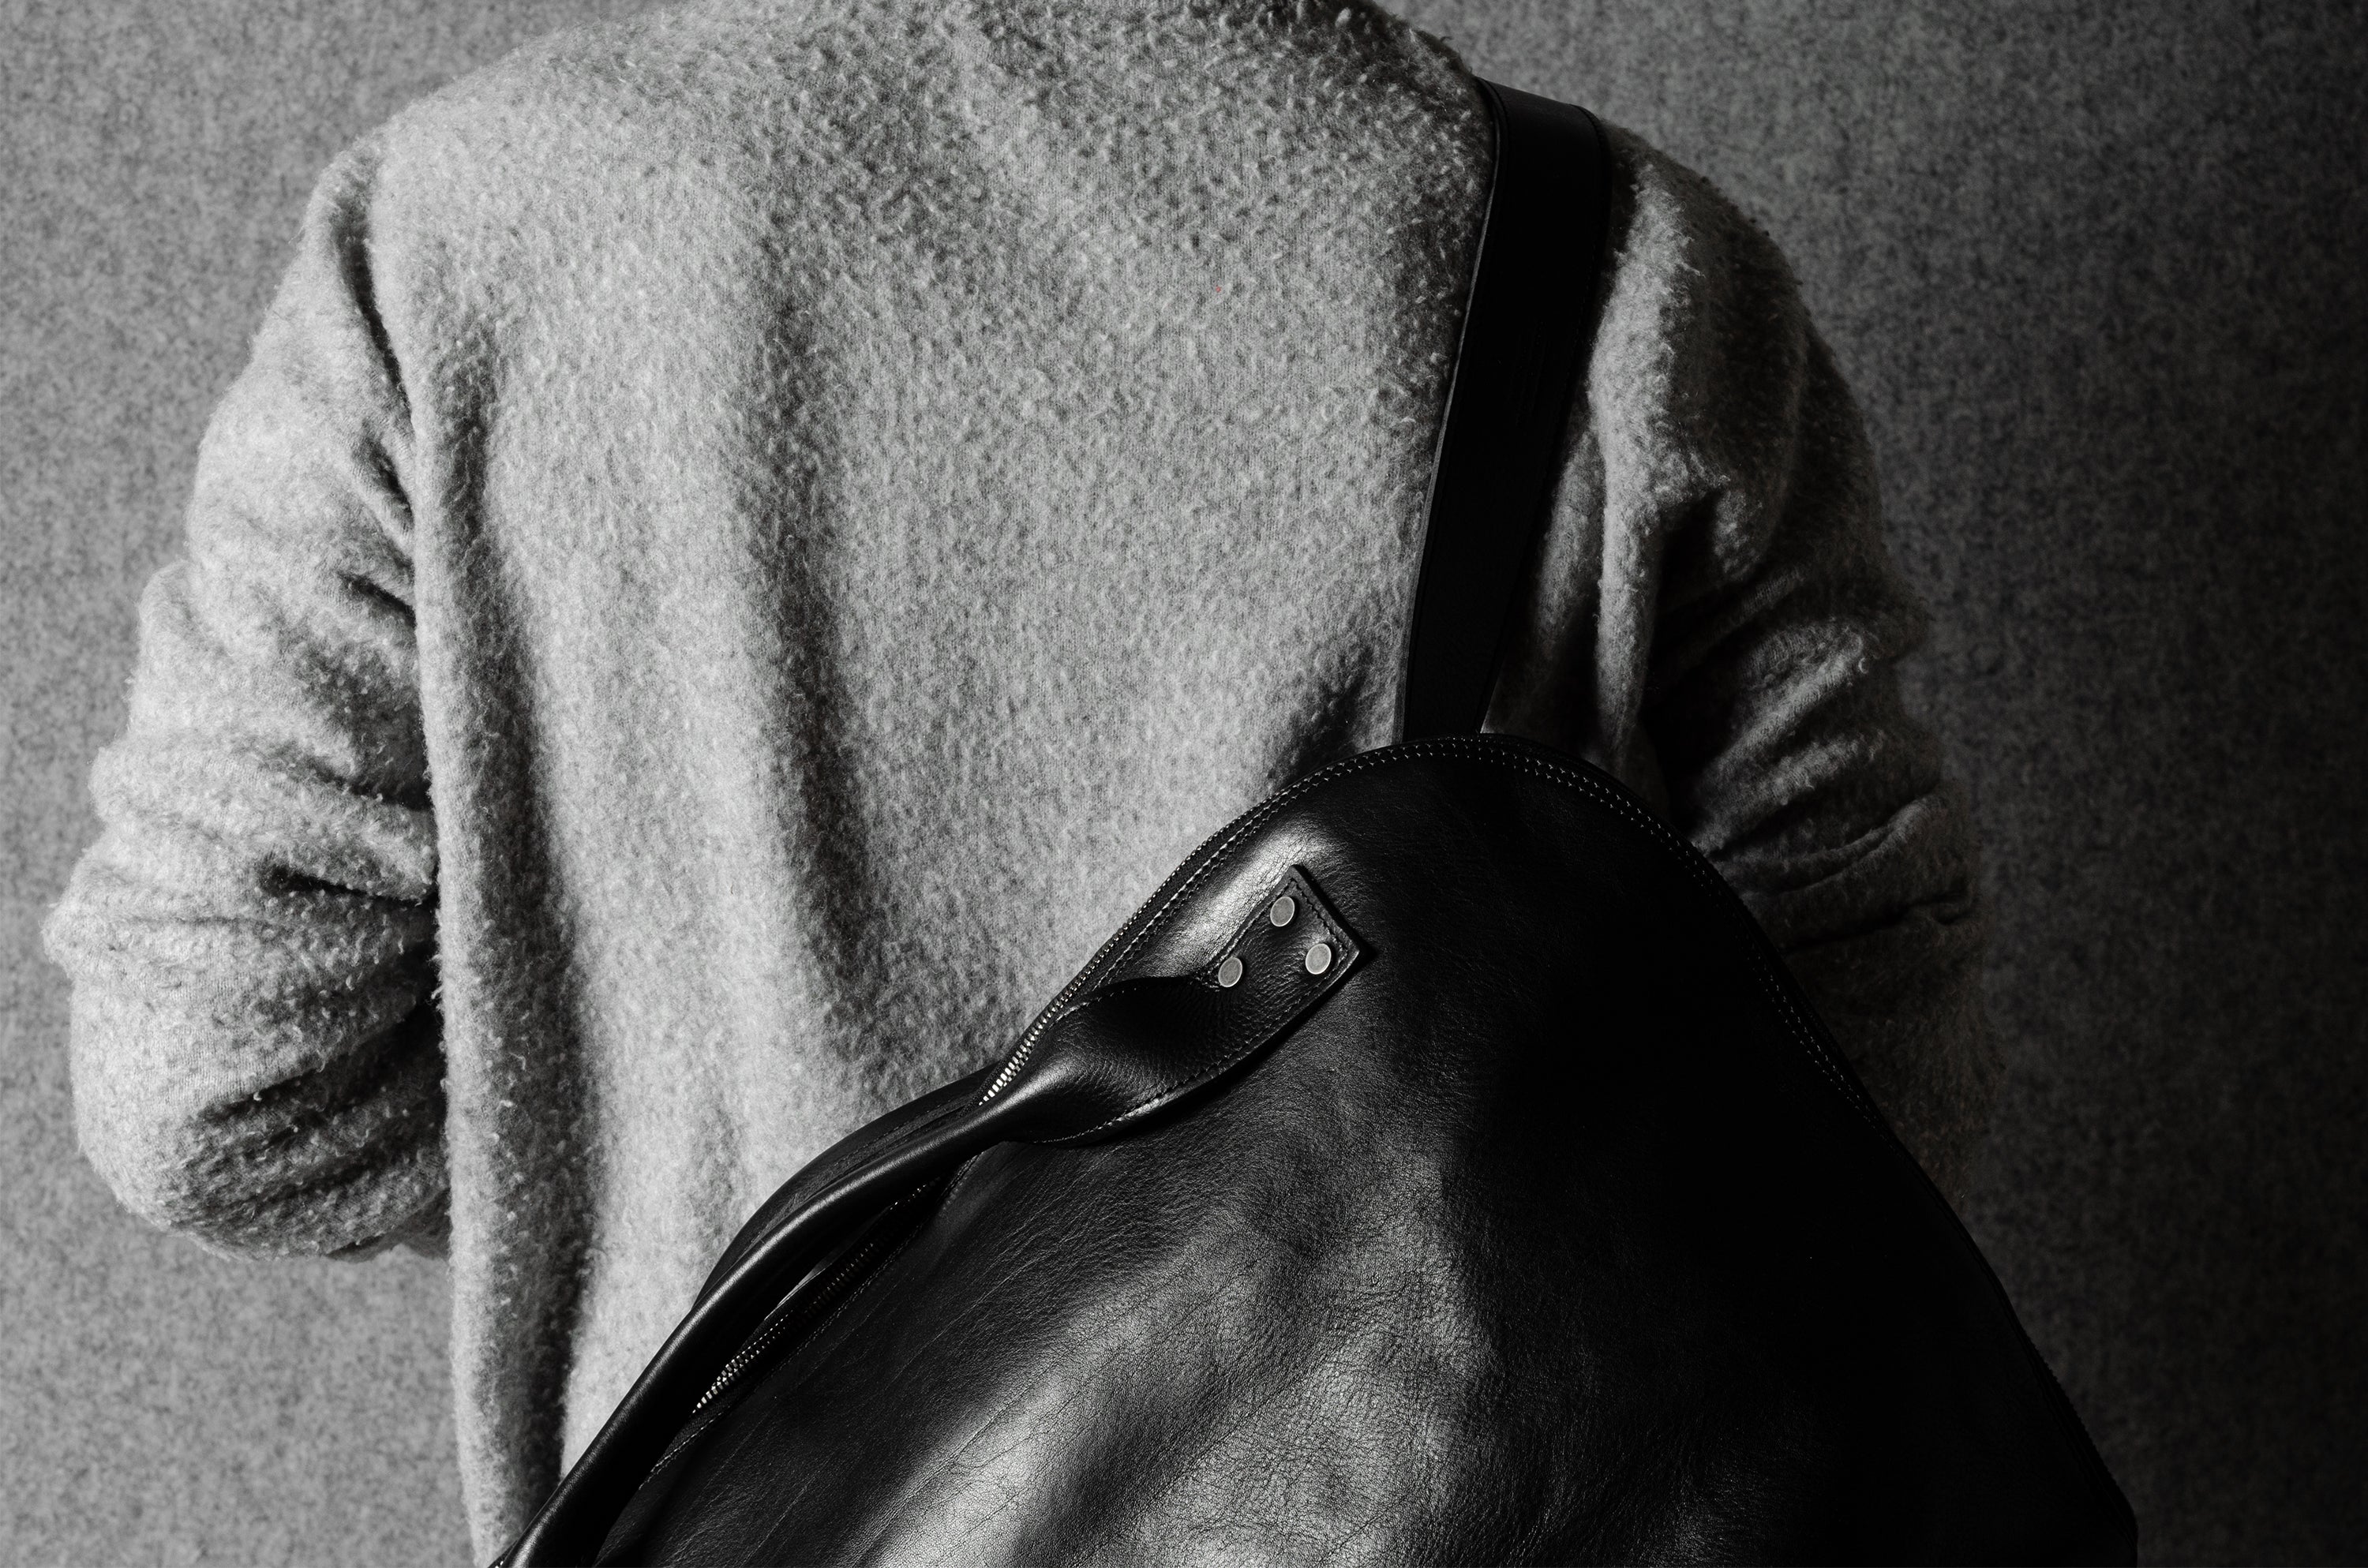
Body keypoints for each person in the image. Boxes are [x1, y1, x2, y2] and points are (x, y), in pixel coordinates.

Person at [43, 0, 1998, 1555]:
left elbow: (210, 1083)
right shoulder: (1636, 283)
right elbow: (1855, 1116)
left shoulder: (462, 239)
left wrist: (657, 1169)